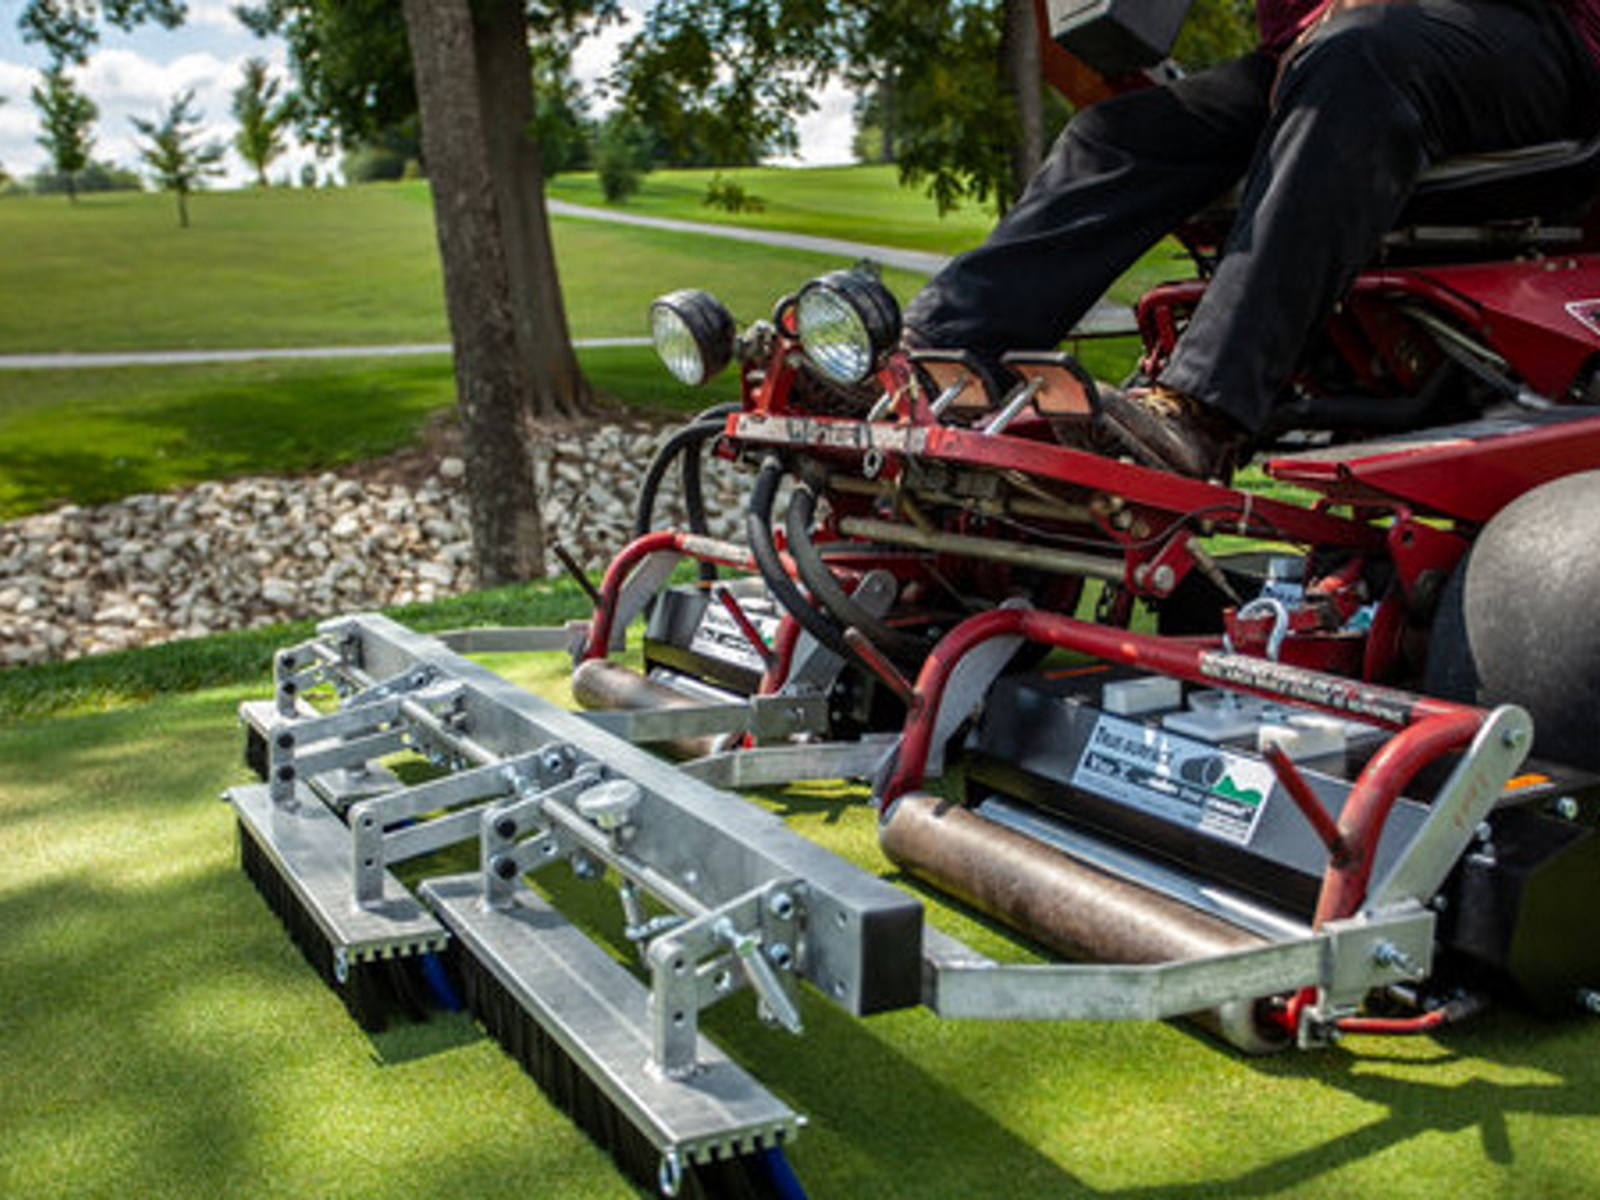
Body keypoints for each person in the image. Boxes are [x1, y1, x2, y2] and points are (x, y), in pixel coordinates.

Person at [901, 0, 1600, 478]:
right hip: (1329, 50)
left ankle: (1202, 410)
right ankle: (939, 354)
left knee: (1355, 62)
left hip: (1531, 36)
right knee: (1118, 136)